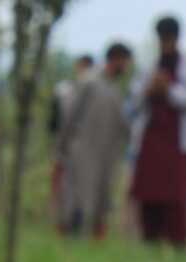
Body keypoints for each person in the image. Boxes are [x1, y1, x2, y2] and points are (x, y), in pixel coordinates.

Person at [127, 15, 186, 248]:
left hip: (177, 141)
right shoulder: (148, 65)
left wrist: (169, 90)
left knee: (175, 195)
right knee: (148, 192)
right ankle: (149, 239)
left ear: (176, 38)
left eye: (168, 38)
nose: (165, 42)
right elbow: (134, 102)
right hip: (151, 138)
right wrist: (149, 89)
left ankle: (177, 243)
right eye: (161, 38)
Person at [56, 43, 133, 239]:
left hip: (105, 155)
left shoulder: (115, 90)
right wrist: (62, 149)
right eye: (124, 63)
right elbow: (70, 115)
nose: (125, 68)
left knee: (99, 202)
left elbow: (123, 126)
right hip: (81, 152)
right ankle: (70, 240)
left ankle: (90, 241)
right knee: (78, 200)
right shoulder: (89, 82)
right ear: (115, 60)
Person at [50, 55, 94, 232]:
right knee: (63, 188)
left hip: (85, 150)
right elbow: (53, 122)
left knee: (79, 191)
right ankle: (61, 225)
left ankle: (77, 226)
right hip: (65, 147)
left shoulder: (94, 92)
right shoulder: (64, 90)